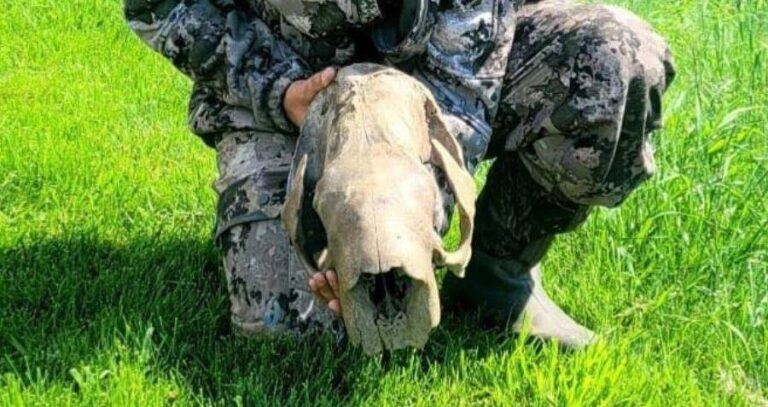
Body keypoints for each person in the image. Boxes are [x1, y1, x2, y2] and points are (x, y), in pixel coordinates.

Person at [124, 0, 675, 348]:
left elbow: (459, 99)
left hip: (429, 98)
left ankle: (498, 271)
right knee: (292, 328)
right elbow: (157, 4)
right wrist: (277, 91)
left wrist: (395, 222)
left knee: (615, 57)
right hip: (288, 95)